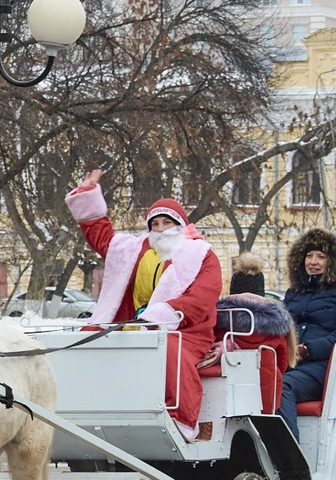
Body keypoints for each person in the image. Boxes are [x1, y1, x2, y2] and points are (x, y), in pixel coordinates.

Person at [65, 169, 222, 438]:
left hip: (186, 332)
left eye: (166, 223)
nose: (160, 229)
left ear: (180, 224)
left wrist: (163, 314)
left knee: (168, 348)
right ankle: (76, 407)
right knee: (87, 338)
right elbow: (103, 238)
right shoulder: (135, 249)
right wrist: (88, 195)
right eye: (155, 224)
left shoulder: (201, 254)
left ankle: (180, 419)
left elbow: (202, 297)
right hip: (131, 325)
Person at [278, 229, 336, 440]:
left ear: (333, 261)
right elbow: (281, 328)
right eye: (309, 255)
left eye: (321, 256)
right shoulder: (293, 293)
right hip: (289, 364)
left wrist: (308, 350)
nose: (313, 262)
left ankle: (289, 457)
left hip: (324, 368)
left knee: (281, 386)